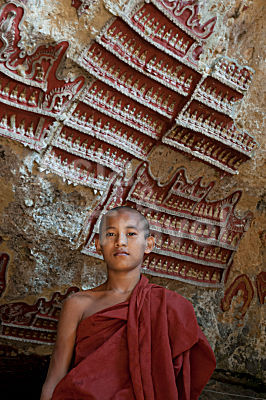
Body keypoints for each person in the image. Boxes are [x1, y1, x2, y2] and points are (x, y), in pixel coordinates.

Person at [40, 206, 216, 400]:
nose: (120, 242)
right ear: (98, 245)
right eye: (111, 234)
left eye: (131, 233)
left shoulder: (170, 306)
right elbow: (55, 376)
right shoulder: (78, 304)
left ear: (148, 245)